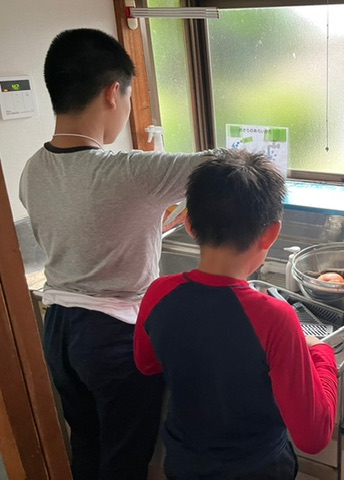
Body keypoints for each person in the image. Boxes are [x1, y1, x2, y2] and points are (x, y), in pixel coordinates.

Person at [19, 28, 219, 479]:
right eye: (129, 97)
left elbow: (86, 224)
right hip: (112, 337)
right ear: (114, 92)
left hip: (60, 331)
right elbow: (225, 162)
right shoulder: (127, 171)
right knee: (125, 461)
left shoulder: (32, 169)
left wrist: (149, 221)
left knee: (87, 445)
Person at [133, 150, 338, 480]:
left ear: (189, 225)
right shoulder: (276, 318)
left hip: (185, 465)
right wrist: (321, 353)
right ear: (271, 233)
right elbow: (313, 437)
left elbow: (146, 364)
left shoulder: (158, 293)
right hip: (259, 470)